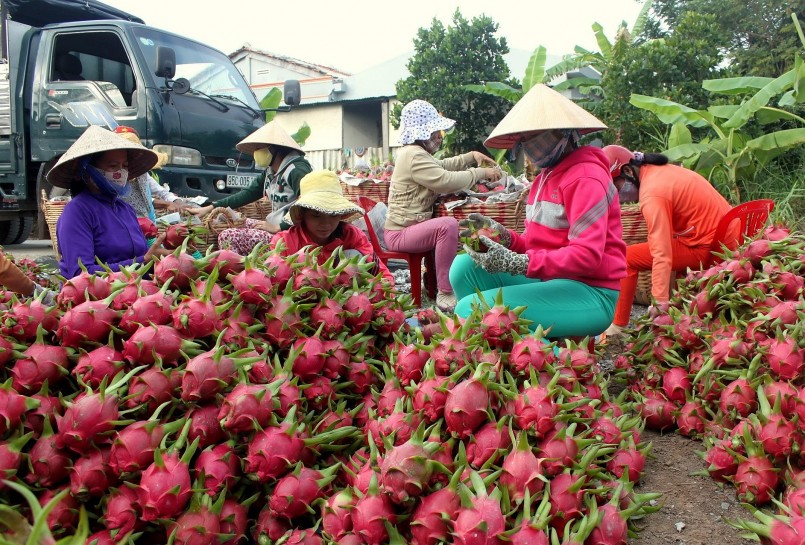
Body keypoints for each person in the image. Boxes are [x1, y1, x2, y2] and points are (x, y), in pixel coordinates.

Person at [450, 84, 627, 339]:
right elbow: (538, 247)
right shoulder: (546, 177)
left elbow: (587, 256)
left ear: (564, 132)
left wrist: (520, 262)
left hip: (590, 290)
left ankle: (557, 367)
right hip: (551, 281)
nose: (527, 145)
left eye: (534, 136)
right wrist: (506, 238)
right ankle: (499, 353)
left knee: (470, 309)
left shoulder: (586, 177)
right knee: (464, 266)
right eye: (523, 138)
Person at [601, 145, 736, 338]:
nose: (617, 194)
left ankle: (618, 327)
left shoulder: (652, 194)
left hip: (709, 247)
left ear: (628, 171)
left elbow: (661, 254)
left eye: (616, 186)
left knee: (626, 257)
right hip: (724, 237)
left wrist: (659, 304)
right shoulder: (661, 172)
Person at [384, 99, 502, 312]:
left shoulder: (416, 153)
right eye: (436, 131)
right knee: (447, 225)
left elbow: (442, 165)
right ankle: (445, 291)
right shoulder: (412, 155)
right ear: (422, 133)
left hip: (408, 229)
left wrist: (470, 157)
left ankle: (441, 283)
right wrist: (480, 172)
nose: (439, 135)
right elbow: (445, 180)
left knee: (450, 226)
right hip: (400, 233)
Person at [46, 125, 172, 279]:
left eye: (124, 166)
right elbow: (80, 274)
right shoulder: (76, 212)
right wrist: (144, 261)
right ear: (85, 170)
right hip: (93, 300)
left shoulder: (125, 209)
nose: (121, 172)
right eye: (113, 166)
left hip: (135, 296)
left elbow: (143, 263)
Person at [187, 120, 312, 255]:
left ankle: (241, 271)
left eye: (260, 148)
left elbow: (308, 203)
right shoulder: (270, 172)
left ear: (275, 148)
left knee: (227, 236)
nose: (256, 152)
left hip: (290, 234)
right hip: (274, 226)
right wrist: (210, 207)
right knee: (232, 220)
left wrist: (279, 227)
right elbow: (248, 194)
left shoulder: (296, 170)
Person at [270, 170, 394, 284]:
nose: (326, 224)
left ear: (341, 214)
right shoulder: (283, 243)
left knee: (353, 254)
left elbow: (384, 277)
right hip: (296, 305)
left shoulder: (352, 236)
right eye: (316, 215)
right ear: (302, 214)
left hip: (347, 304)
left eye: (333, 215)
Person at [112, 126, 189, 221]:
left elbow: (159, 191)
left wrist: (177, 201)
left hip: (147, 223)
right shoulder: (113, 177)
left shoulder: (141, 173)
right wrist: (166, 204)